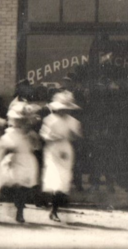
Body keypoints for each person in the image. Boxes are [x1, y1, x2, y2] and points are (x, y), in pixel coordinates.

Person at [40, 90, 81, 223]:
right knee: (55, 180)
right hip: (53, 150)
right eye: (62, 108)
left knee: (63, 180)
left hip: (66, 151)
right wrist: (55, 137)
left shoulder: (73, 122)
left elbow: (77, 137)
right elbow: (44, 136)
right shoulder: (50, 120)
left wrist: (71, 135)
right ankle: (53, 210)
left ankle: (54, 209)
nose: (64, 111)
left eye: (66, 109)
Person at [3, 100, 41, 223]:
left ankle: (20, 212)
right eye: (18, 120)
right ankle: (16, 205)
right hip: (14, 161)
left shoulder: (31, 134)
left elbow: (37, 147)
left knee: (24, 188)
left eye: (23, 120)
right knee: (15, 186)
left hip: (27, 161)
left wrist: (33, 140)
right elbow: (4, 145)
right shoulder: (10, 132)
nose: (20, 122)